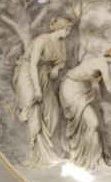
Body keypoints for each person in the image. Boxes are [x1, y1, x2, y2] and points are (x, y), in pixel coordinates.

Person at [12, 17, 73, 166]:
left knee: (53, 112)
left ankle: (51, 150)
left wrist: (57, 68)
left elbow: (62, 61)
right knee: (34, 107)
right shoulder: (41, 41)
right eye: (67, 30)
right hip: (28, 73)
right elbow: (33, 65)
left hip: (43, 73)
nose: (68, 32)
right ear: (59, 28)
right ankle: (37, 152)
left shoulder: (61, 43)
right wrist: (37, 90)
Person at [59, 45, 111, 172]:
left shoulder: (102, 66)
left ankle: (98, 159)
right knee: (93, 123)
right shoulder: (103, 64)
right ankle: (94, 160)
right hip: (72, 89)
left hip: (84, 91)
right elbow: (110, 88)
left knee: (98, 123)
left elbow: (105, 94)